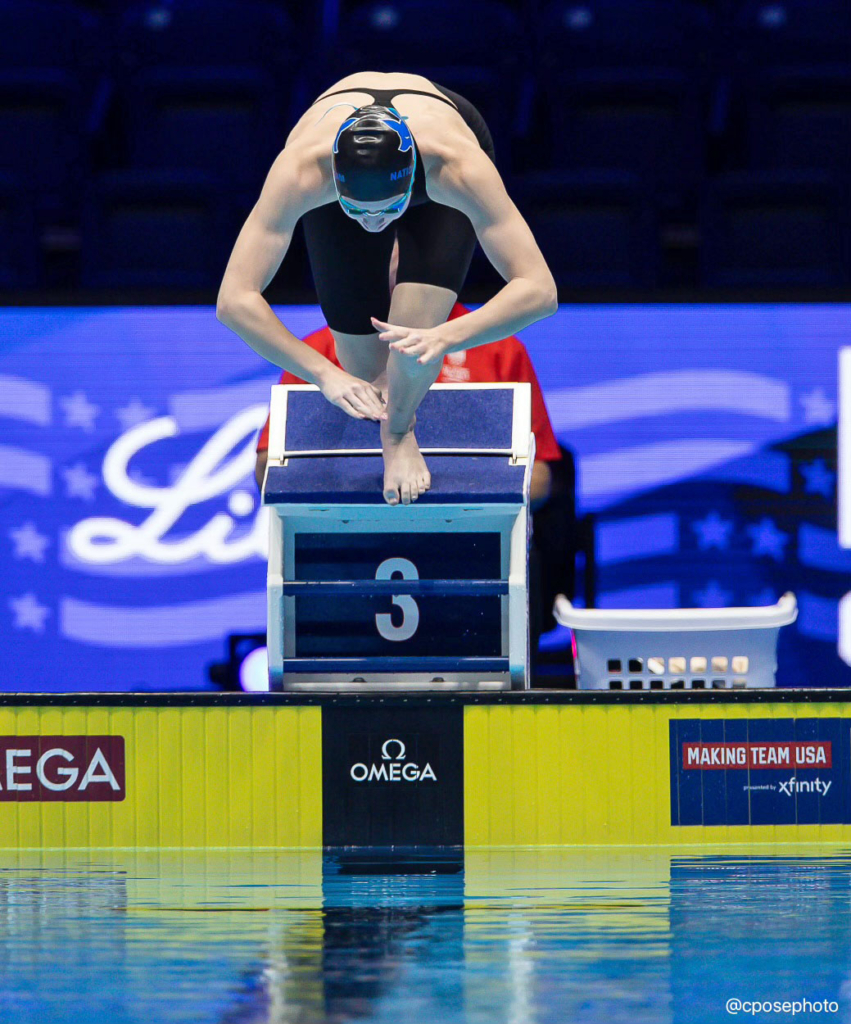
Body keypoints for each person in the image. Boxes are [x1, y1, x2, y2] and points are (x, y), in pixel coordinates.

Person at [217, 72, 557, 507]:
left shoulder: (457, 165)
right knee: (360, 369)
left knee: (413, 339)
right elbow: (234, 301)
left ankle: (398, 432)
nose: (376, 224)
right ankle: (387, 413)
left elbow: (540, 289)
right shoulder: (303, 171)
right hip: (344, 168)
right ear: (336, 182)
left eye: (389, 210)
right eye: (359, 211)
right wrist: (324, 374)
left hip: (435, 172)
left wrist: (446, 336)